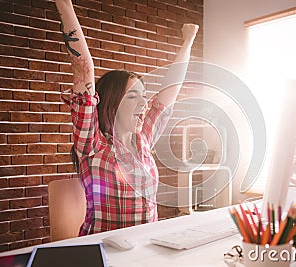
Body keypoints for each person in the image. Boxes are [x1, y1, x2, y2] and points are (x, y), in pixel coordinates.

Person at [54, 0, 199, 235]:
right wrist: (65, 5)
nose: (143, 103)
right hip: (103, 250)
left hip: (146, 249)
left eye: (143, 96)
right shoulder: (92, 144)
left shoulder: (143, 139)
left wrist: (188, 41)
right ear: (112, 103)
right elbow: (84, 69)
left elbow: (171, 89)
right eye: (133, 97)